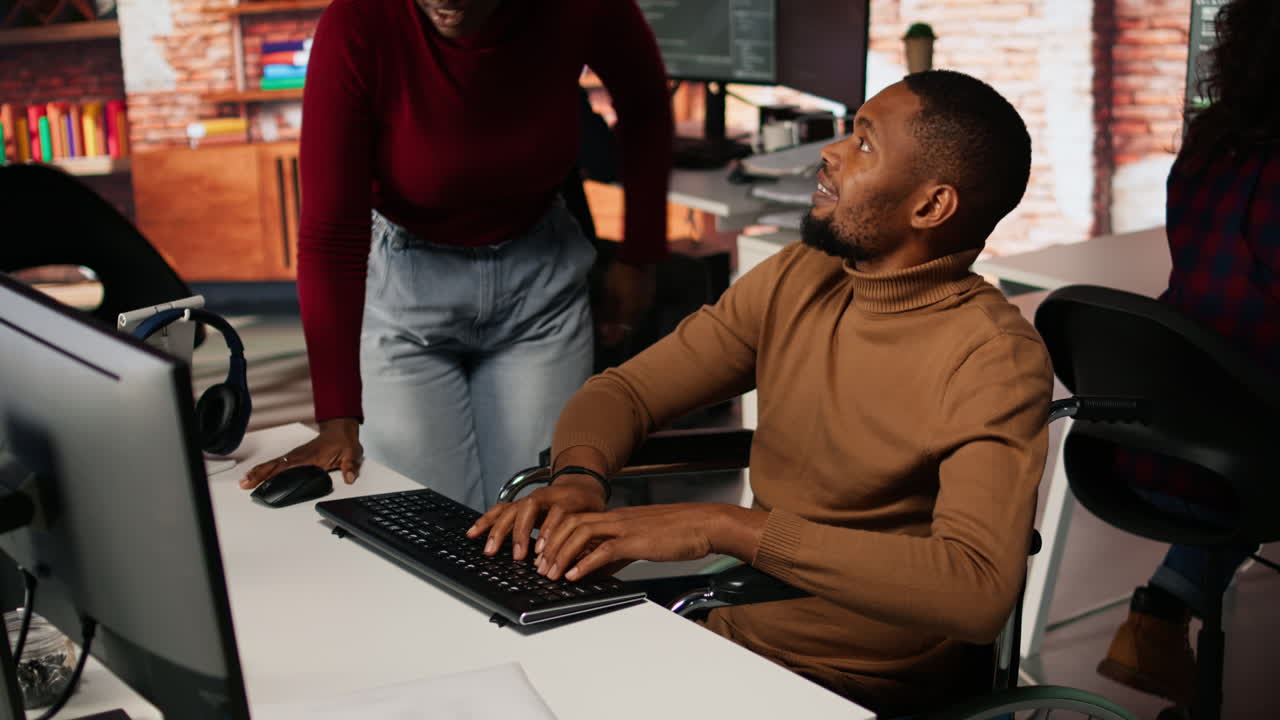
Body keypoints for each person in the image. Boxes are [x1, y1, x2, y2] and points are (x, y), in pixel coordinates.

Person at [470, 70, 1051, 715]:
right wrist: (579, 477)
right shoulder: (803, 275)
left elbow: (975, 591)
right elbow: (625, 392)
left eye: (863, 144)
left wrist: (722, 525)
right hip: (728, 633)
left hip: (856, 686)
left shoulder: (993, 357)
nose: (830, 152)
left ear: (930, 207)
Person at [238, 0, 674, 510]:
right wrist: (337, 417)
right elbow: (332, 232)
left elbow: (645, 104)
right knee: (429, 525)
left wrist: (640, 253)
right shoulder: (359, 20)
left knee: (536, 522)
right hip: (405, 288)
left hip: (540, 287)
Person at [1095, 0, 1280, 704]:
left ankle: (1162, 614)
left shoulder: (1209, 142)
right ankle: (1163, 612)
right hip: (1241, 457)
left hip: (1149, 439)